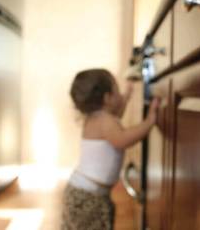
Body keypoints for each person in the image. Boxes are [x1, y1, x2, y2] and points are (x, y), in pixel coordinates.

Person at [61, 68, 159, 230]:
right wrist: (149, 122)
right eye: (117, 90)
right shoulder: (106, 122)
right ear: (107, 98)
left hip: (82, 192)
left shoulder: (98, 119)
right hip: (88, 197)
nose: (120, 94)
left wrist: (127, 95)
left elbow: (117, 116)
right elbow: (122, 139)